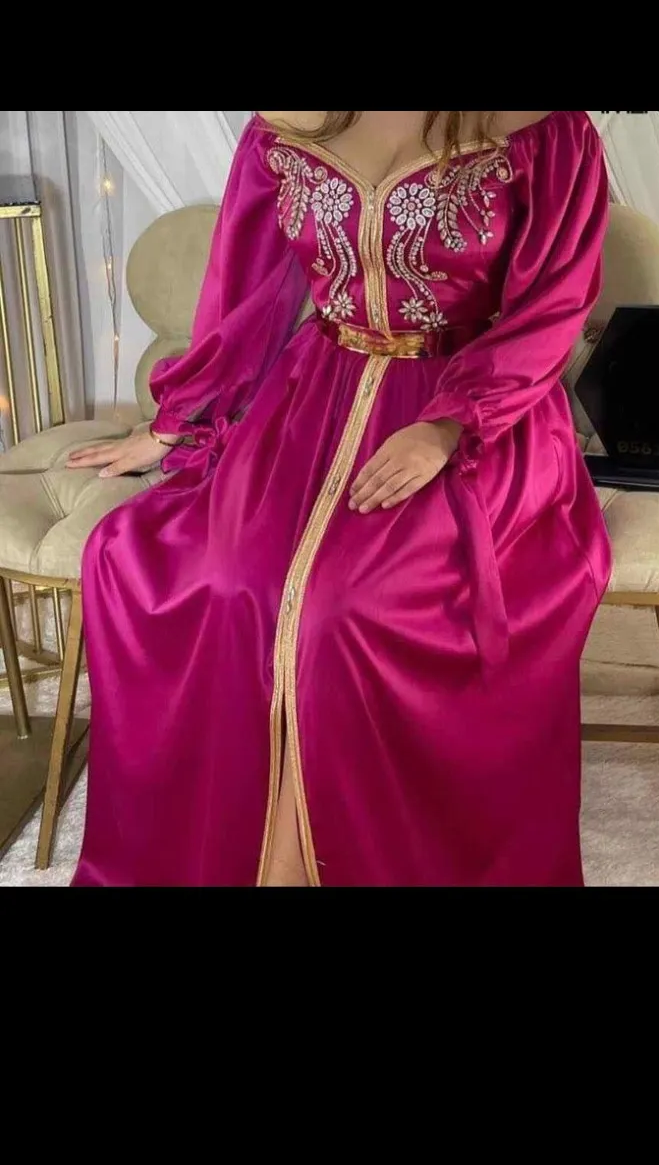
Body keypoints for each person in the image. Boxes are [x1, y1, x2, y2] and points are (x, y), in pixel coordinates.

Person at [67, 110, 612, 888]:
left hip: (480, 417)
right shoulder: (282, 129)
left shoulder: (544, 133)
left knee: (344, 611)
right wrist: (174, 424)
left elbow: (552, 306)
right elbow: (244, 293)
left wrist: (450, 426)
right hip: (309, 398)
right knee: (218, 582)